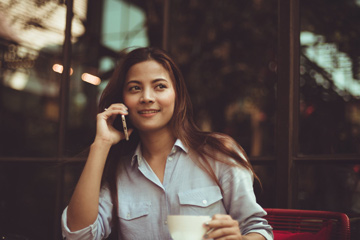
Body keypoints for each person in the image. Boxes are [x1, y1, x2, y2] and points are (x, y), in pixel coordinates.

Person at [61, 47, 273, 240]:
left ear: (176, 95)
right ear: (123, 101)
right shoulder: (118, 171)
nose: (147, 97)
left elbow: (259, 229)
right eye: (135, 88)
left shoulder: (218, 153)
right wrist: (101, 145)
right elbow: (78, 236)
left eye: (159, 86)